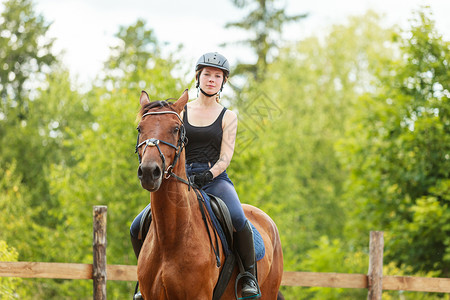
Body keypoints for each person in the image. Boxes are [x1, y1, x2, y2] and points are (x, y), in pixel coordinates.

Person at [130, 52, 260, 299]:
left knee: (237, 218)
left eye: (217, 76)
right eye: (207, 74)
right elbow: (167, 142)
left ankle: (248, 277)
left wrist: (208, 175)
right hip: (180, 178)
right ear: (198, 78)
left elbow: (226, 157)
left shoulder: (228, 116)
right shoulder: (180, 112)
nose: (212, 79)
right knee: (137, 225)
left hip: (215, 179)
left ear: (223, 82)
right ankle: (144, 280)